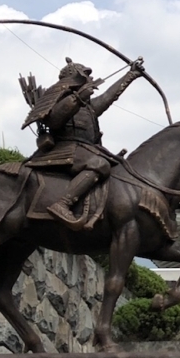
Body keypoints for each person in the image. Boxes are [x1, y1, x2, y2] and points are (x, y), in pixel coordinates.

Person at [22, 57, 143, 230]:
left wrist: (131, 75)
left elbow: (109, 96)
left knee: (118, 168)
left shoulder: (88, 106)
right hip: (65, 148)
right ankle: (62, 204)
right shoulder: (59, 98)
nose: (90, 79)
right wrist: (78, 98)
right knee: (100, 164)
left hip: (86, 149)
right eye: (85, 75)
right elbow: (54, 120)